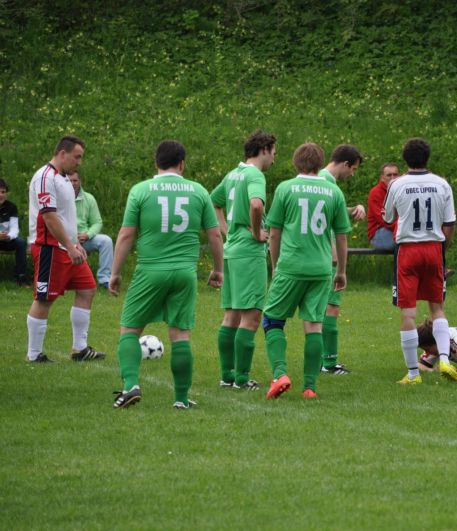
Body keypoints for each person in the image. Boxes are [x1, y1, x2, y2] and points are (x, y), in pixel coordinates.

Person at [109, 140, 223, 409]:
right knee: (181, 334)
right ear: (182, 163)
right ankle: (181, 399)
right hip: (185, 272)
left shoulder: (141, 191)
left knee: (130, 328)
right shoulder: (198, 192)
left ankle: (130, 386)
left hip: (150, 270)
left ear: (155, 162)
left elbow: (126, 234)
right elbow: (215, 233)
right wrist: (218, 269)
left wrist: (114, 272)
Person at [261, 142, 351, 399]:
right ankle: (310, 387)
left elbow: (274, 232)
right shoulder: (332, 192)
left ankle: (280, 374)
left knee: (272, 320)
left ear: (296, 162)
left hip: (291, 266)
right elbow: (342, 236)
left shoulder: (286, 188)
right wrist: (341, 271)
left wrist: (275, 264)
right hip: (321, 268)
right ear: (320, 163)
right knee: (314, 325)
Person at [383, 138, 457, 384]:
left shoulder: (397, 184)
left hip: (408, 249)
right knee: (437, 308)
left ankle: (414, 373)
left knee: (408, 313)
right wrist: (442, 249)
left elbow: (387, 216)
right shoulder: (441, 184)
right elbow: (450, 223)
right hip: (433, 248)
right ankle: (446, 360)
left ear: (405, 160)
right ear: (427, 158)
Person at [26, 135, 105, 363]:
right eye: (76, 156)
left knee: (87, 288)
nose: (79, 162)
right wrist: (69, 245)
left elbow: (66, 217)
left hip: (68, 247)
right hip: (50, 248)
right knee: (44, 299)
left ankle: (79, 349)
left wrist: (76, 244)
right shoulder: (44, 177)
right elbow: (49, 217)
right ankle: (34, 355)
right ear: (63, 153)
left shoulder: (63, 179)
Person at [210, 130, 277, 390]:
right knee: (251, 317)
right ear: (264, 149)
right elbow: (257, 205)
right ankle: (241, 378)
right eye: (273, 153)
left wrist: (227, 230)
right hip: (249, 253)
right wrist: (255, 230)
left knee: (232, 316)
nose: (273, 159)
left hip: (232, 251)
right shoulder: (254, 175)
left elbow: (213, 202)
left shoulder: (233, 174)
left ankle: (227, 376)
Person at [317, 144, 365, 375]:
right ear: (345, 164)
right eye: (353, 169)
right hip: (326, 255)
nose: (352, 174)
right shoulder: (328, 184)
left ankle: (320, 361)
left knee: (318, 311)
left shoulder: (320, 179)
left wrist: (350, 209)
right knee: (331, 308)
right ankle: (328, 363)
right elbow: (332, 226)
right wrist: (335, 252)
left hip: (314, 254)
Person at [68, 171, 114, 288]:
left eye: (75, 180)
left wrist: (87, 235)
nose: (72, 183)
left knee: (106, 241)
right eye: (70, 180)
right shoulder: (60, 198)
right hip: (65, 240)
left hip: (84, 238)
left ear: (80, 181)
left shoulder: (89, 198)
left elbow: (97, 222)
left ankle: (104, 279)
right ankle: (66, 279)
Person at [0, 178, 30, 286]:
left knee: (21, 243)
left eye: (3, 192)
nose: (1, 195)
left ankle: (20, 277)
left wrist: (8, 236)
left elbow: (14, 228)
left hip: (7, 239)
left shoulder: (11, 207)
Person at [367, 163, 400, 250]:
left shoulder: (402, 190)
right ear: (382, 178)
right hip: (379, 232)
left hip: (397, 229)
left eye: (395, 175)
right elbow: (385, 220)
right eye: (389, 175)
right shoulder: (375, 193)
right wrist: (404, 228)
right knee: (405, 243)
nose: (393, 178)